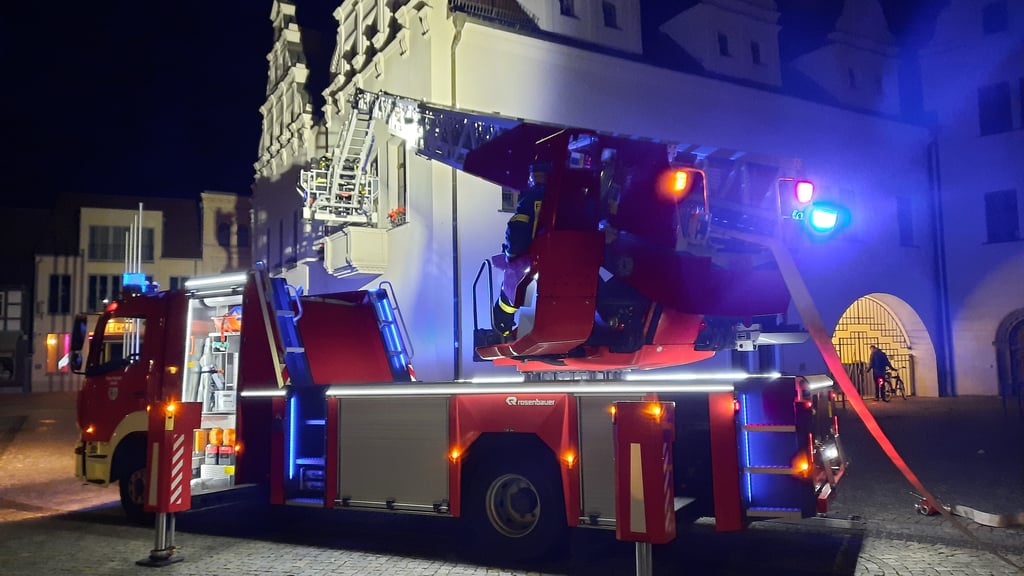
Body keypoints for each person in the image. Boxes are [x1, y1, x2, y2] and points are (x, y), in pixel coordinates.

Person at [492, 161, 550, 336]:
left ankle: (503, 329)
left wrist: (510, 255)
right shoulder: (567, 197)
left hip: (534, 262)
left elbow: (517, 232)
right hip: (564, 261)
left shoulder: (530, 198)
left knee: (510, 293)